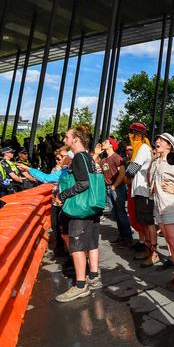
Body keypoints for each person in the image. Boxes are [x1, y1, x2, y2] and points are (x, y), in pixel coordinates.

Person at [54, 124, 103, 302]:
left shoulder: (79, 158)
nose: (64, 139)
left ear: (76, 139)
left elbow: (83, 183)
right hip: (91, 207)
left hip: (80, 209)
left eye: (67, 137)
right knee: (90, 243)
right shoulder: (89, 157)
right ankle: (93, 276)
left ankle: (80, 286)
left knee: (77, 247)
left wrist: (63, 195)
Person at [148, 133, 174, 288]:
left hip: (171, 204)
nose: (157, 141)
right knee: (169, 240)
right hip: (159, 205)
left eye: (162, 141)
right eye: (157, 140)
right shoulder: (156, 161)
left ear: (169, 145)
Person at [127, 122, 158, 267]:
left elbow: (131, 170)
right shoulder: (142, 148)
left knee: (148, 223)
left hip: (144, 192)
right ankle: (148, 249)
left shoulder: (143, 148)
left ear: (138, 136)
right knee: (144, 223)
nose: (129, 136)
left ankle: (154, 254)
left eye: (132, 134)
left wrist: (127, 171)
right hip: (140, 191)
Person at [100, 136, 132, 245]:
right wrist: (96, 153)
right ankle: (122, 235)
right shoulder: (103, 159)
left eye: (105, 142)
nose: (102, 143)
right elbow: (94, 165)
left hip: (117, 188)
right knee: (116, 213)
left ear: (111, 145)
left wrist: (114, 186)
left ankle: (127, 237)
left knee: (121, 213)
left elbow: (122, 173)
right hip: (109, 188)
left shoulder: (116, 157)